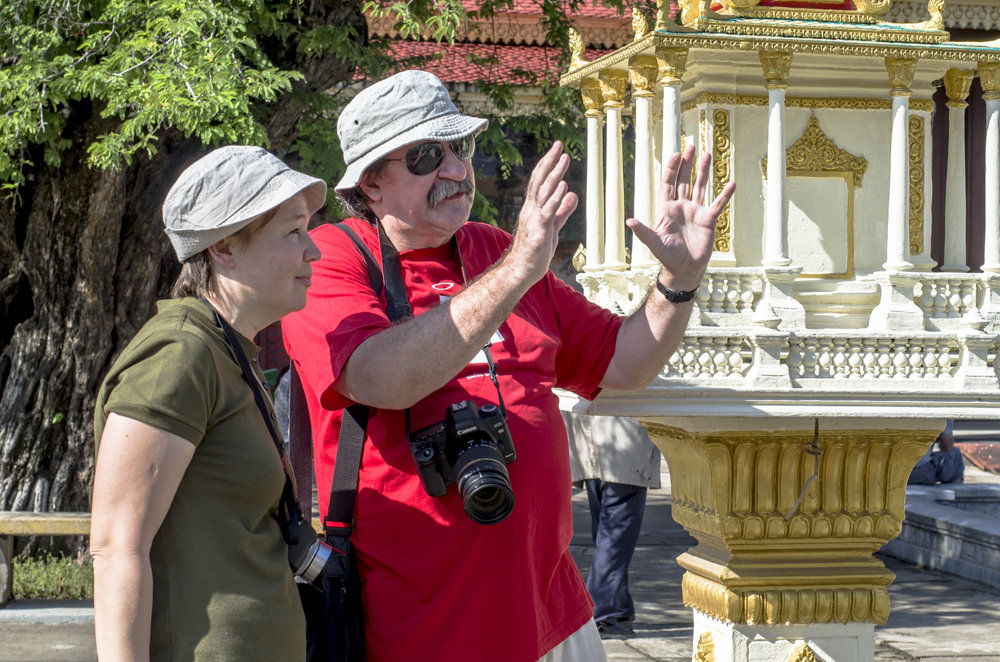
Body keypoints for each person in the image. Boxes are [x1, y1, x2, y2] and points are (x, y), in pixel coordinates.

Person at [282, 69, 734, 662]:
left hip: (554, 613)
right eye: (424, 156)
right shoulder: (334, 259)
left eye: (459, 148)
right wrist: (521, 265)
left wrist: (679, 281)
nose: (453, 170)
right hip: (419, 630)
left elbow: (623, 362)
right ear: (370, 184)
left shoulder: (493, 248)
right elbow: (380, 378)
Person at [90, 145, 325, 661]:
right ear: (223, 247)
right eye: (292, 231)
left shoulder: (227, 350)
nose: (314, 252)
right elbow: (115, 550)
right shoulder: (180, 353)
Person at [562, 413, 661, 639]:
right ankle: (604, 613)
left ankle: (618, 609)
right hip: (623, 447)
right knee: (614, 540)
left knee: (607, 537)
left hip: (592, 441)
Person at [908, 420, 965, 485]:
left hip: (896, 470)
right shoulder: (942, 411)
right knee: (955, 455)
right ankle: (953, 491)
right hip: (919, 470)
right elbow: (947, 446)